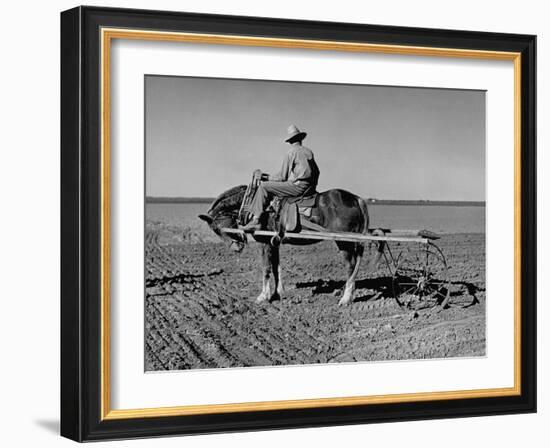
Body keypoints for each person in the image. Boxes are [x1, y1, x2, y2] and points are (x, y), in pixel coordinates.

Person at [240, 124, 320, 232]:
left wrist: (265, 177)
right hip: (310, 187)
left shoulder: (291, 153)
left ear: (290, 141)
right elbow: (317, 172)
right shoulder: (308, 152)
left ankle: (256, 220)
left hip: (299, 187)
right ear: (300, 139)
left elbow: (282, 177)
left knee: (264, 187)